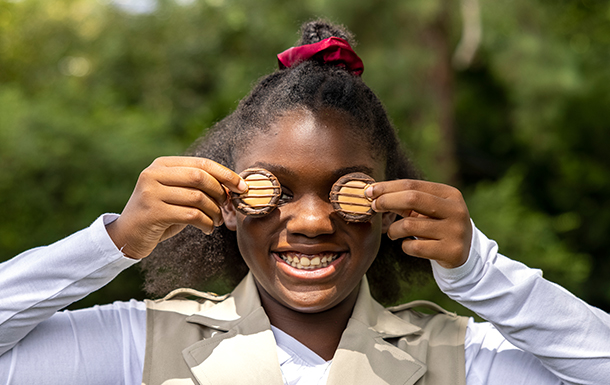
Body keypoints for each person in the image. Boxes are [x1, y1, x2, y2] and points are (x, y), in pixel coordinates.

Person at [0, 20, 608, 385]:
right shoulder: (139, 344)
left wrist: (479, 272)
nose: (314, 221)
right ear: (230, 202)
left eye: (348, 188)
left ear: (390, 204)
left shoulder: (462, 359)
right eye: (274, 188)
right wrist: (115, 242)